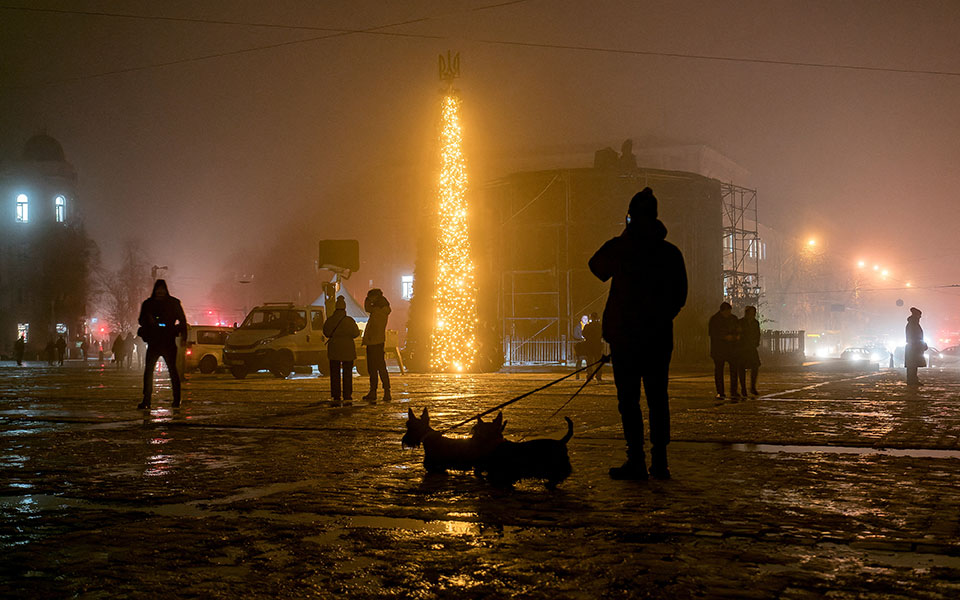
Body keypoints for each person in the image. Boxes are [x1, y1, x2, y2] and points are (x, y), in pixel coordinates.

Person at [589, 187, 687, 480]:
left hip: (626, 339)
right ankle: (660, 461)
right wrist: (659, 318)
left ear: (630, 217)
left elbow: (596, 266)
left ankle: (636, 459)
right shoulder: (670, 252)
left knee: (629, 401)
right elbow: (680, 296)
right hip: (657, 338)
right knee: (658, 399)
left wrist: (624, 236)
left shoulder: (623, 247)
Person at [137, 279, 188, 409]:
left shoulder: (172, 303)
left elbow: (182, 320)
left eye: (162, 290)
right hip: (155, 341)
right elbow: (141, 320)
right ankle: (147, 399)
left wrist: (183, 336)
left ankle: (176, 399)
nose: (160, 292)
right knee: (149, 371)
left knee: (172, 371)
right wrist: (149, 322)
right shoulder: (149, 304)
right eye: (158, 290)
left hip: (167, 341)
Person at [323, 296, 361, 404]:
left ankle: (336, 395)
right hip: (348, 350)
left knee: (335, 373)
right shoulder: (349, 321)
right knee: (347, 373)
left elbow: (326, 332)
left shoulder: (330, 320)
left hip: (334, 349)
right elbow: (356, 333)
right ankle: (347, 394)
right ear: (345, 309)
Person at [361, 288, 392, 402]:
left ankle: (376, 391)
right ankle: (385, 391)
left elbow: (367, 308)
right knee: (380, 367)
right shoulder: (382, 310)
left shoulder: (377, 311)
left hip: (373, 342)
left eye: (371, 297)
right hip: (378, 342)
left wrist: (367, 300)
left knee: (374, 368)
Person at [709, 302, 740, 399]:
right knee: (719, 371)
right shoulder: (715, 319)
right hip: (719, 348)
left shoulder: (732, 319)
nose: (729, 313)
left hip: (731, 348)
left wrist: (736, 336)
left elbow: (738, 329)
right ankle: (721, 391)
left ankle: (733, 390)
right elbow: (713, 333)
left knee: (733, 370)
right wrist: (725, 337)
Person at [737, 306, 761, 396]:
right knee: (741, 368)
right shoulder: (741, 322)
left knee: (755, 366)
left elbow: (758, 334)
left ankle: (752, 387)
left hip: (751, 348)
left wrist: (756, 343)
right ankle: (743, 388)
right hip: (742, 348)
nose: (753, 315)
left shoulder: (755, 323)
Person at [905, 307, 926, 386]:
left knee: (913, 365)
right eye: (919, 316)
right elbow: (915, 337)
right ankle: (911, 380)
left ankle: (912, 379)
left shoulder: (913, 324)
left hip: (914, 347)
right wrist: (921, 344)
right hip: (913, 348)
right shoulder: (913, 325)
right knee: (912, 365)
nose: (920, 317)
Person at [582, 312, 605, 382]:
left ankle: (589, 375)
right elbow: (603, 334)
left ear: (591, 317)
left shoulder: (588, 326)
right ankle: (598, 375)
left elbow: (584, 334)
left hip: (589, 345)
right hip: (597, 345)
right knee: (598, 361)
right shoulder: (599, 326)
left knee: (589, 361)